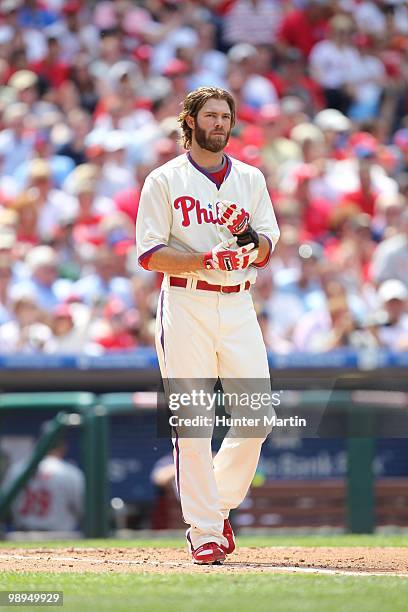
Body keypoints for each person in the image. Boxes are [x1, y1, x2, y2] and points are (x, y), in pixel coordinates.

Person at [136, 86, 280, 565]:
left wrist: (247, 237)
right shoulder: (164, 179)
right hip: (186, 302)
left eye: (226, 116)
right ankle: (204, 532)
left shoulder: (251, 178)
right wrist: (202, 258)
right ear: (190, 121)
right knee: (193, 424)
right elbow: (150, 253)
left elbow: (266, 245)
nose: (220, 123)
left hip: (239, 303)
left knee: (258, 418)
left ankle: (214, 510)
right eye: (211, 115)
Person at [3, 423, 84, 532]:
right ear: (63, 447)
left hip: (21, 537)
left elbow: (6, 509)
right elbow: (84, 510)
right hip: (60, 539)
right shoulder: (70, 472)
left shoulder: (17, 469)